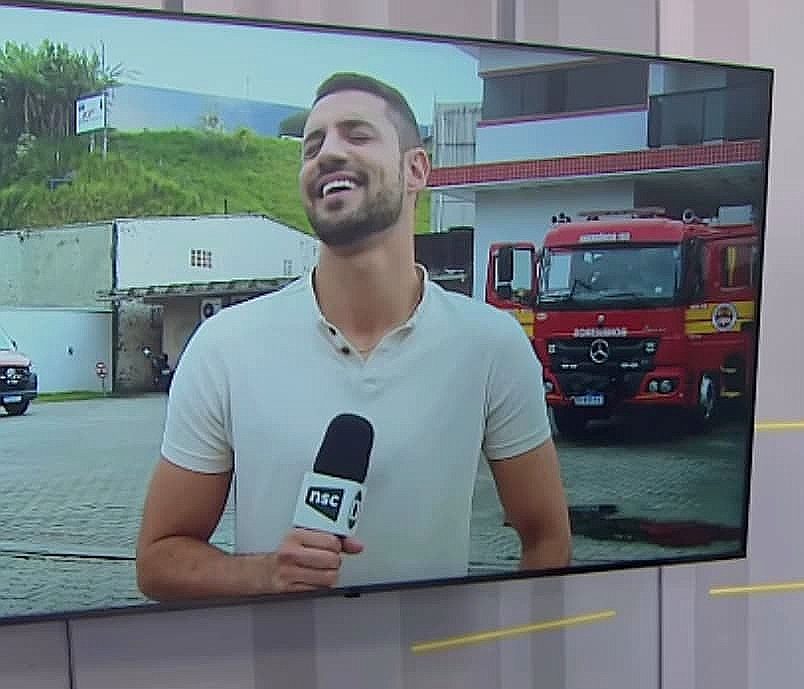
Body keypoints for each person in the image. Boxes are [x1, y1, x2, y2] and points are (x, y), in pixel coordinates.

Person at [135, 72, 572, 600]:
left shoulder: (491, 345)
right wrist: (266, 575)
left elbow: (547, 540)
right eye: (312, 146)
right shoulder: (224, 347)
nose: (327, 154)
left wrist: (512, 641)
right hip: (281, 655)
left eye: (357, 135)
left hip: (437, 653)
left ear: (416, 169)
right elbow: (159, 560)